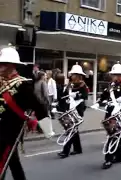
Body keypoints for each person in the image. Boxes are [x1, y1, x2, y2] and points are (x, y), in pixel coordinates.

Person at [0, 46, 54, 180]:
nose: (0, 66)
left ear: (12, 66)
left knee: (2, 161)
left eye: (3, 64)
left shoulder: (23, 85)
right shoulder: (1, 83)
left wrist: (48, 130)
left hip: (9, 131)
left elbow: (38, 106)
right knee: (13, 161)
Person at [92, 62, 121, 170]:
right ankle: (119, 156)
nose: (113, 77)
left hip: (119, 113)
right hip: (109, 112)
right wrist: (98, 102)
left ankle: (108, 159)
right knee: (114, 135)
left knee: (111, 136)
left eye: (115, 75)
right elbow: (104, 95)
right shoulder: (111, 85)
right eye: (113, 75)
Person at [57, 64, 88, 159]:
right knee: (73, 130)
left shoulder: (83, 85)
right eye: (72, 74)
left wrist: (77, 96)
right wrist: (58, 103)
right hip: (69, 109)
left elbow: (85, 96)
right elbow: (64, 96)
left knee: (70, 130)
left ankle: (65, 151)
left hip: (77, 110)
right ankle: (78, 149)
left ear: (79, 75)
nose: (72, 76)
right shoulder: (69, 84)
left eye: (74, 74)